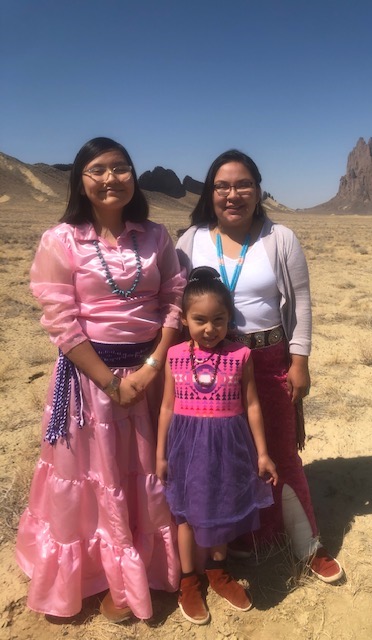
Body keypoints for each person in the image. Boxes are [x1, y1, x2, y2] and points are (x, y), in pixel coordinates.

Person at [15, 137, 186, 622]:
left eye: (121, 168)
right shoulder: (60, 240)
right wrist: (112, 384)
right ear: (80, 180)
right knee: (95, 477)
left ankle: (143, 571)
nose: (111, 178)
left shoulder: (156, 236)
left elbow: (173, 300)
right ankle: (96, 573)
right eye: (98, 170)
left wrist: (151, 369)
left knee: (142, 471)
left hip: (151, 376)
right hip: (90, 382)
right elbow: (61, 321)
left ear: (134, 177)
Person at [176, 149, 344, 584]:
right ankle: (240, 539)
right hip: (212, 364)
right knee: (227, 456)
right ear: (210, 192)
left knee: (282, 451)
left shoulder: (279, 237)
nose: (233, 194)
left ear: (258, 189)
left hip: (270, 358)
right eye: (223, 186)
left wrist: (300, 360)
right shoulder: (189, 240)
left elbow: (301, 303)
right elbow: (174, 307)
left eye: (243, 184)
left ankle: (308, 545)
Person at [156, 266, 278, 625]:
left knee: (224, 507)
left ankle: (218, 570)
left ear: (229, 319)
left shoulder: (240, 355)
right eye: (200, 320)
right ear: (185, 320)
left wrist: (263, 452)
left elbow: (252, 405)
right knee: (187, 514)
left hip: (229, 448)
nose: (210, 329)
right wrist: (161, 454)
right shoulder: (175, 355)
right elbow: (165, 407)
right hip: (186, 448)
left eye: (219, 320)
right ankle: (189, 581)